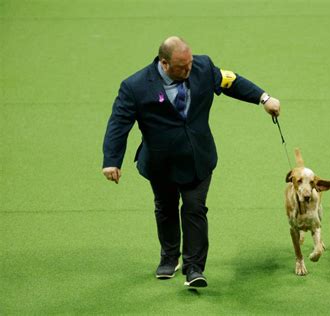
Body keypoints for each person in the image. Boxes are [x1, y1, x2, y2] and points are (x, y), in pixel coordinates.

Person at [102, 36, 280, 288]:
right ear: (164, 64)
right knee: (165, 208)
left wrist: (263, 98)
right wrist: (112, 160)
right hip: (160, 163)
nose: (189, 70)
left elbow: (231, 82)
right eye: (182, 67)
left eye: (190, 63)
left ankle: (194, 267)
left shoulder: (202, 68)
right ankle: (169, 256)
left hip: (198, 157)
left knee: (194, 208)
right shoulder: (136, 86)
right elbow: (119, 122)